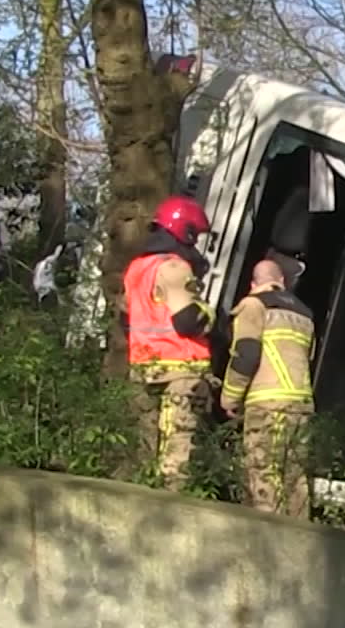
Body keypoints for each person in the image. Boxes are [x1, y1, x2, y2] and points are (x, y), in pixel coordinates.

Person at [120, 196, 217, 492]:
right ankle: (172, 512)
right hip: (179, 371)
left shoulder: (136, 268)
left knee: (144, 448)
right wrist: (211, 314)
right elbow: (187, 321)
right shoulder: (175, 267)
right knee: (176, 455)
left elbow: (127, 318)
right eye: (196, 236)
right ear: (186, 232)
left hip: (143, 367)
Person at [221, 258, 316, 519]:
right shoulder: (304, 314)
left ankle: (269, 540)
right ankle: (301, 539)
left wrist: (230, 397)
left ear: (253, 284)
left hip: (267, 404)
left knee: (264, 473)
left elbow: (246, 354)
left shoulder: (253, 305)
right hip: (301, 404)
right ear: (282, 281)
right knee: (294, 477)